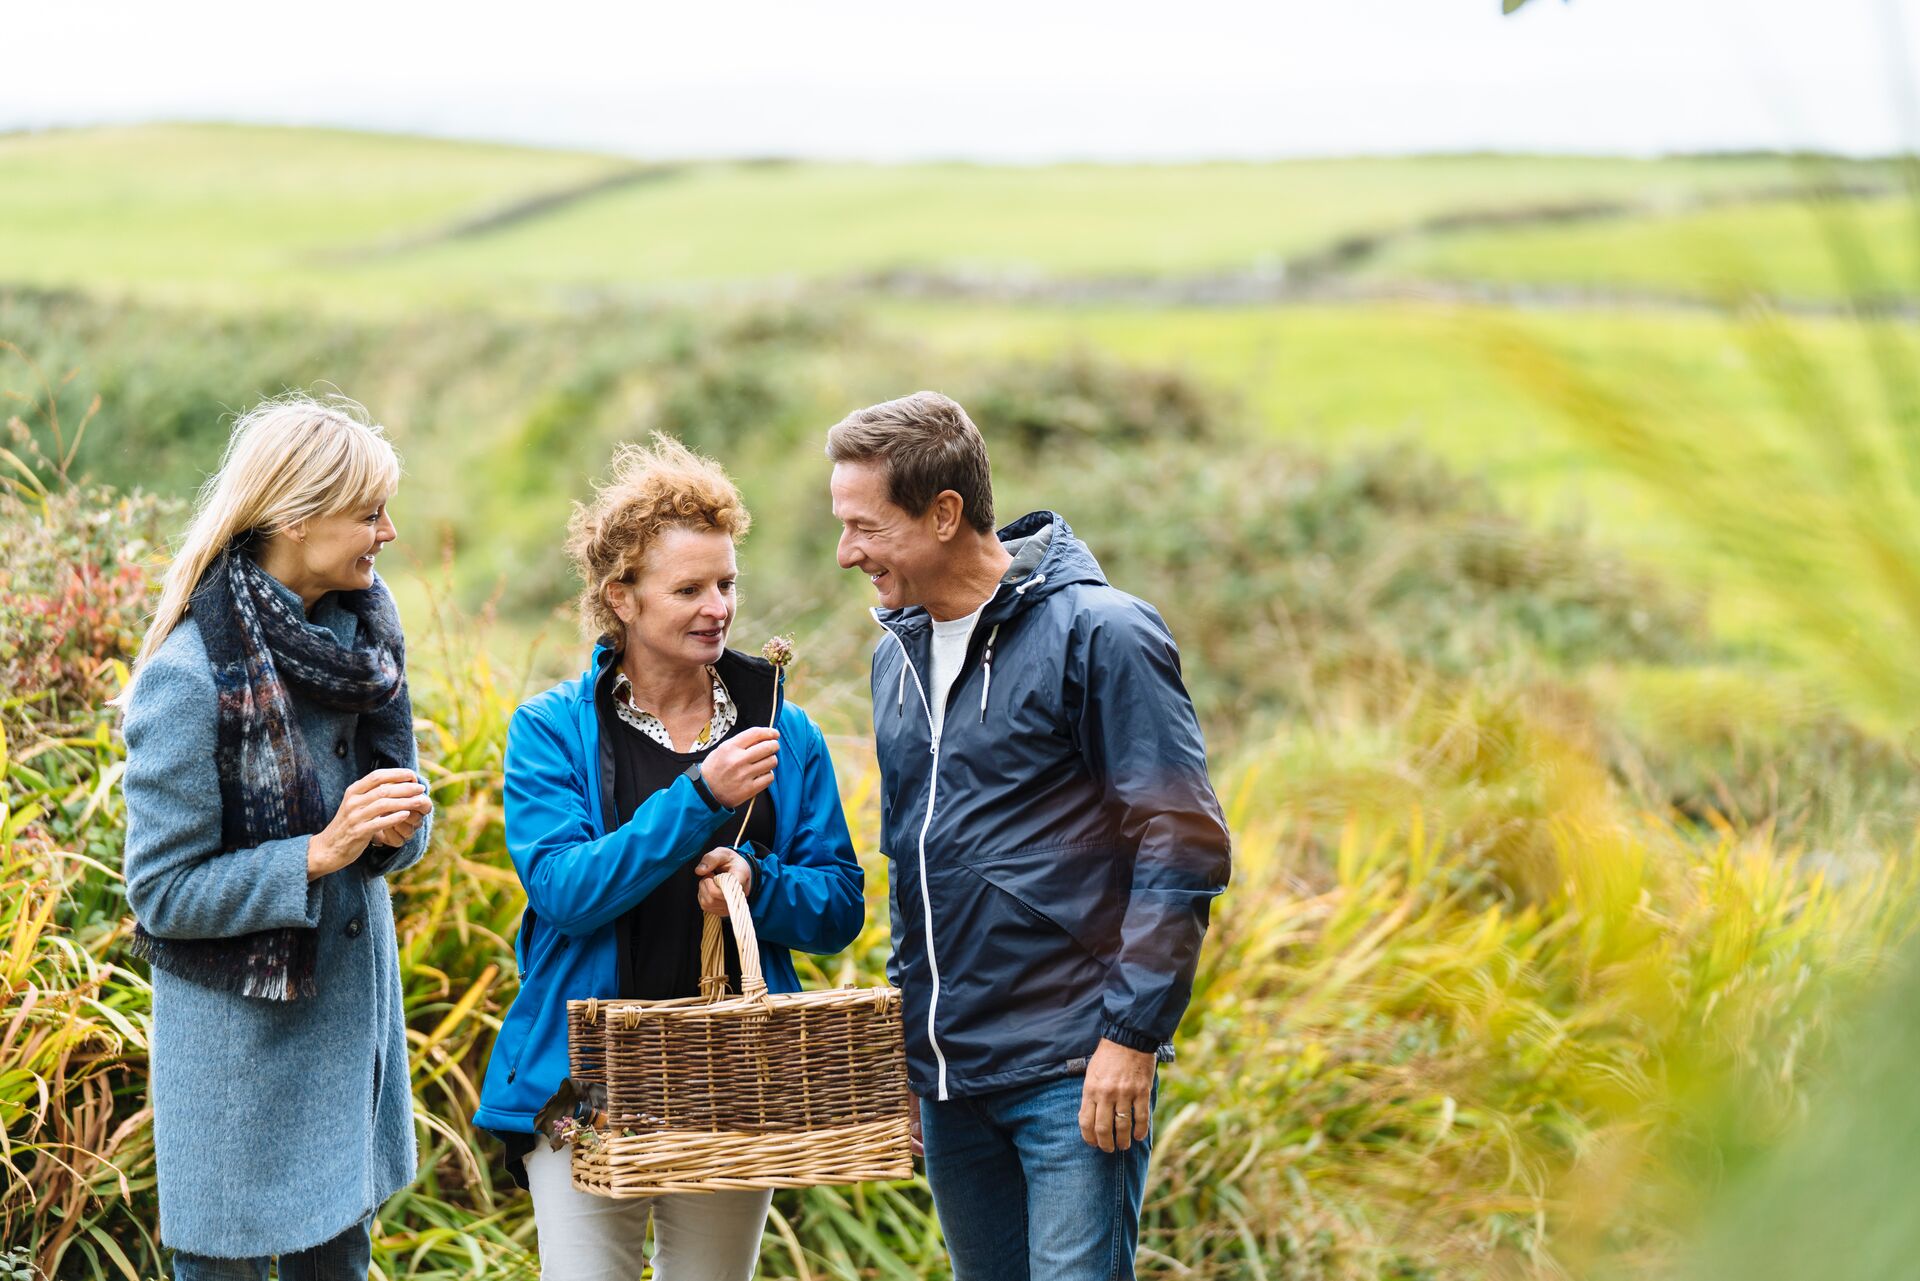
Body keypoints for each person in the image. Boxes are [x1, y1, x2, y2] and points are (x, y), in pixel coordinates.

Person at [826, 391, 1231, 1281]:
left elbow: (1183, 841)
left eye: (866, 527)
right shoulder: (895, 656)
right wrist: (913, 1051)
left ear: (943, 513)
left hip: (1073, 1070)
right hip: (952, 1081)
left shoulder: (1102, 632)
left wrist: (1131, 1036)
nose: (847, 552)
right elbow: (915, 862)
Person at [473, 436, 865, 1281]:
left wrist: (759, 883)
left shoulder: (782, 727)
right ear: (622, 596)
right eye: (689, 589)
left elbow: (840, 904)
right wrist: (700, 798)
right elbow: (564, 890)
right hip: (584, 1085)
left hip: (732, 1077)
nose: (717, 607)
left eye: (727, 583)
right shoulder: (550, 729)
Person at [121, 395, 434, 1280]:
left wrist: (393, 830)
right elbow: (162, 893)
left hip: (345, 1031)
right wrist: (316, 853)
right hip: (240, 1066)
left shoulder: (366, 637)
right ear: (297, 517)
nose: (389, 533)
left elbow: (394, 829)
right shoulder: (188, 677)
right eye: (370, 513)